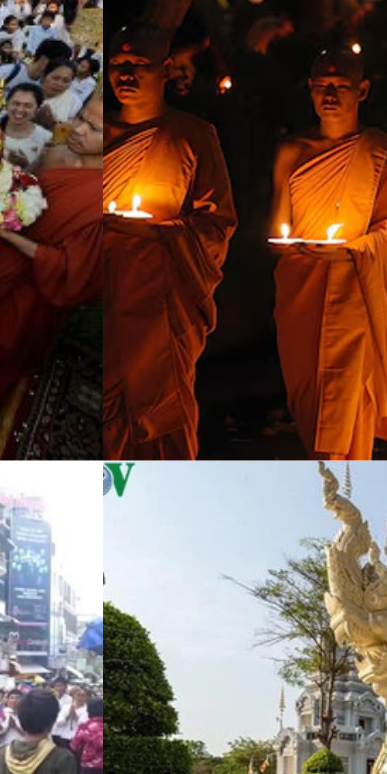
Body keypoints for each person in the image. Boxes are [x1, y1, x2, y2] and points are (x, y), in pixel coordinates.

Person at [268, 50, 387, 460]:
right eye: (322, 86)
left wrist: (353, 252)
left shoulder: (380, 153)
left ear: (363, 91)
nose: (330, 95)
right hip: (301, 287)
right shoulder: (292, 152)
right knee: (307, 395)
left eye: (340, 87)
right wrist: (301, 247)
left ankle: (341, 478)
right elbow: (278, 228)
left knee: (346, 396)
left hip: (356, 289)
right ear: (311, 90)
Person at [104, 25, 236, 458]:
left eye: (139, 66)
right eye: (119, 65)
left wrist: (158, 233)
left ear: (164, 70)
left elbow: (217, 225)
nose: (126, 74)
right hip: (100, 294)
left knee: (161, 415)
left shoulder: (192, 135)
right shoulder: (91, 136)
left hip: (161, 305)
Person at [0, 89, 103, 426]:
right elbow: (23, 190)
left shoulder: (107, 197)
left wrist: (6, 234)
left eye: (94, 129)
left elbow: (72, 270)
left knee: (1, 342)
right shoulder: (56, 153)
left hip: (35, 280)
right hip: (0, 256)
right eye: (82, 117)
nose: (80, 129)